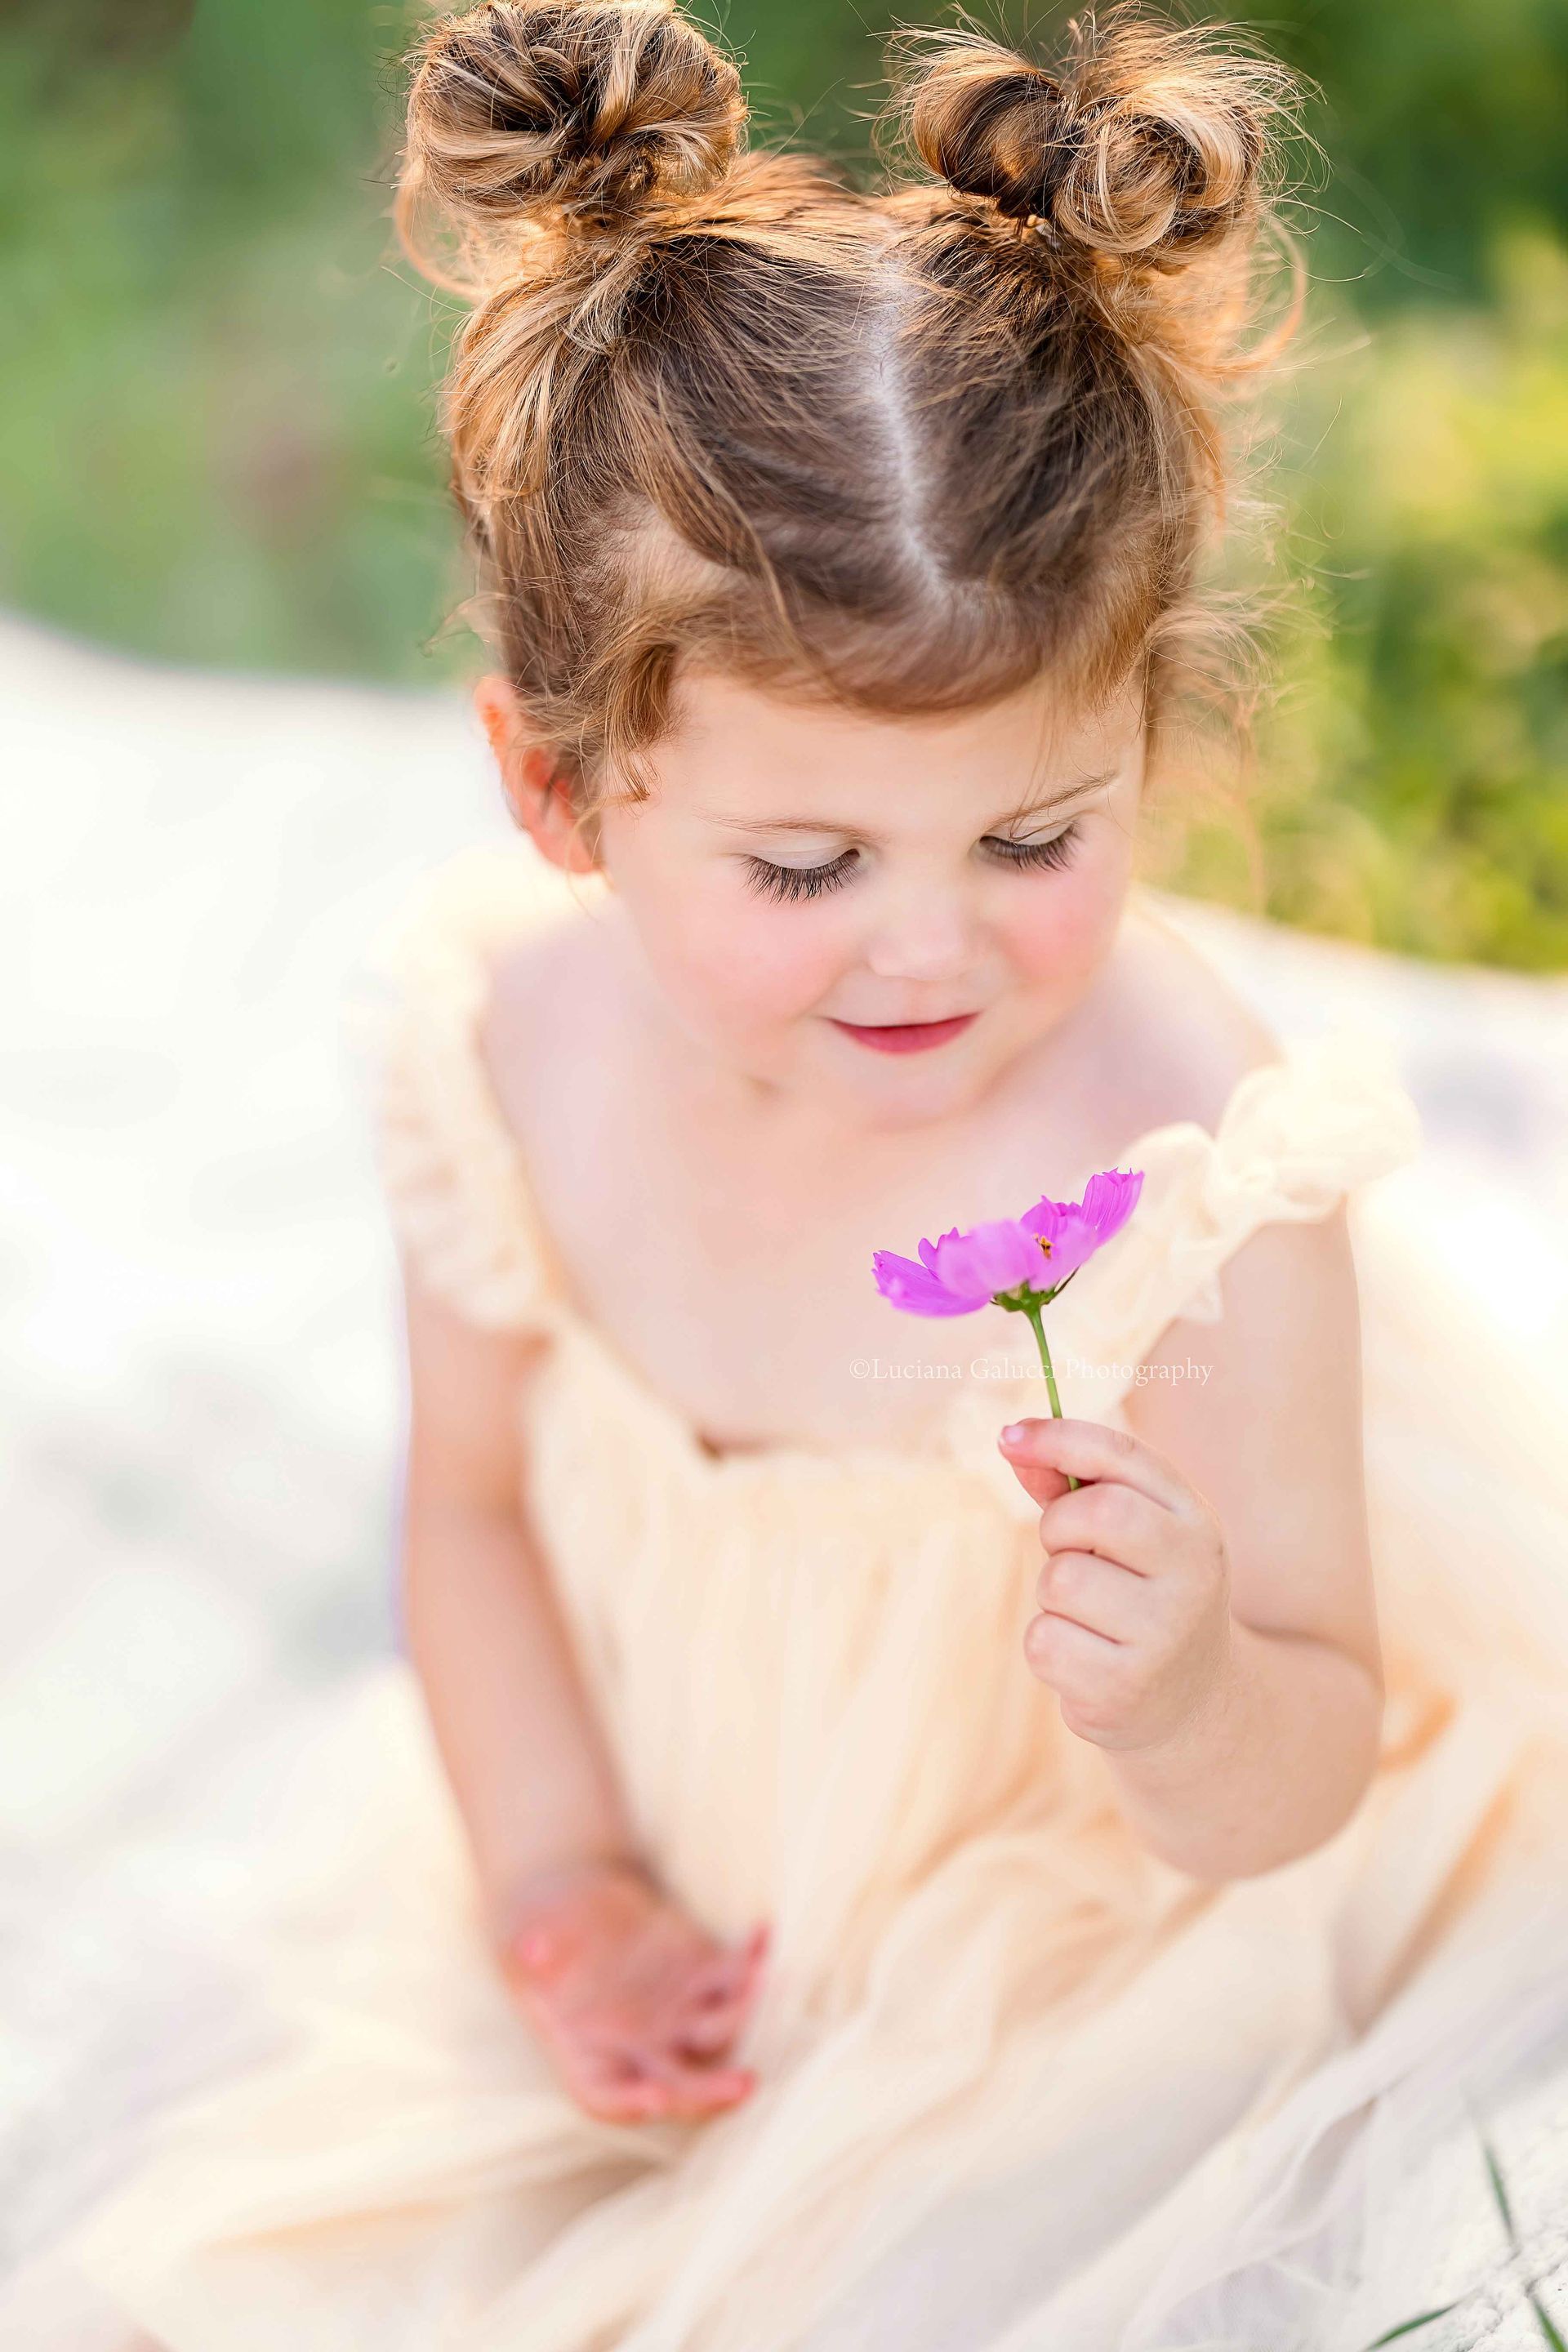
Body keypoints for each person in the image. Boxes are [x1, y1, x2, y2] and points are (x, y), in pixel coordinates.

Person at [20, 2, 1568, 2344]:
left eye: (1036, 835)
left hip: (1074, 1895)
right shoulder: (496, 1042)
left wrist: (1180, 1696)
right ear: (560, 795)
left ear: (1143, 732)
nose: (933, 946)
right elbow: (470, 1515)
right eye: (811, 861)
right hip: (693, 1838)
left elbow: (1315, 1759)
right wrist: (563, 1894)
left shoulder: (1205, 1173)